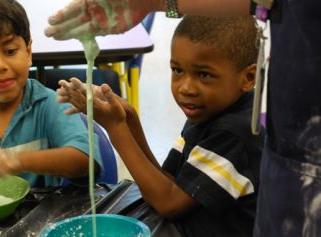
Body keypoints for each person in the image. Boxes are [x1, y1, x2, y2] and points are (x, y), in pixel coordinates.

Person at [46, 0, 321, 236]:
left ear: (249, 77)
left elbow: (169, 202)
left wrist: (116, 130)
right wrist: (129, 120)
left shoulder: (234, 132)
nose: (186, 87)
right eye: (177, 70)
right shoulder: (207, 111)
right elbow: (166, 181)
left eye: (204, 74)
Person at [0, 0, 102, 187]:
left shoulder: (50, 104)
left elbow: (86, 160)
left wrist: (17, 160)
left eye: (10, 51)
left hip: (40, 214)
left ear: (28, 52)